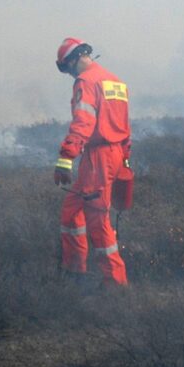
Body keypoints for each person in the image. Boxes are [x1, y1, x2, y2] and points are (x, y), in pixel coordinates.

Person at [54, 37, 130, 286]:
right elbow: (124, 124)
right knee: (72, 208)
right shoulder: (115, 81)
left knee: (98, 220)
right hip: (114, 152)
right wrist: (125, 157)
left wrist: (66, 158)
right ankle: (74, 269)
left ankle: (115, 283)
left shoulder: (86, 81)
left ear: (75, 59)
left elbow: (83, 122)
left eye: (67, 68)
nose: (68, 74)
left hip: (99, 157)